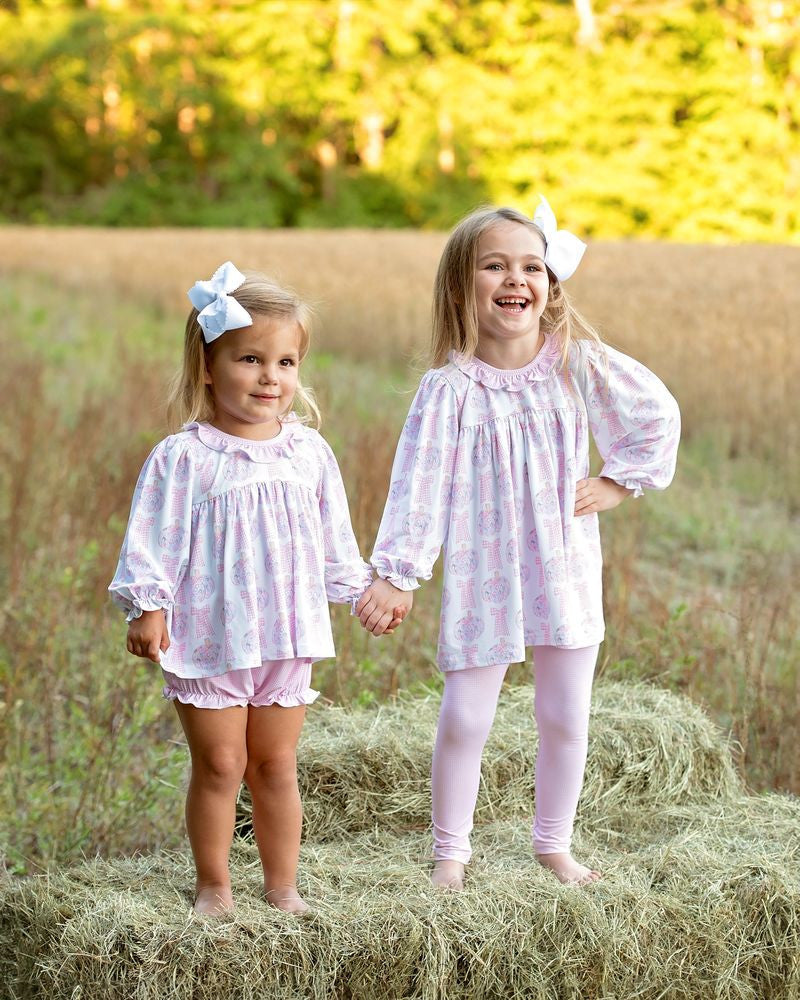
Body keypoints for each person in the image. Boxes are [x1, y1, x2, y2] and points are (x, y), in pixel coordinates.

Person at [356, 198, 680, 889]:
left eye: (532, 265)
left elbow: (657, 413)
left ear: (550, 284)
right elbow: (418, 487)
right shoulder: (448, 390)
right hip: (483, 570)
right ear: (461, 284)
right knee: (467, 716)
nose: (516, 278)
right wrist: (398, 573)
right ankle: (451, 854)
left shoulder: (577, 367)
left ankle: (553, 844)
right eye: (495, 265)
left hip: (563, 566)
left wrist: (620, 483)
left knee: (565, 714)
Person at [109, 263, 404, 915]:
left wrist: (367, 592)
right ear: (209, 367)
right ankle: (214, 886)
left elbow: (335, 542)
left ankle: (283, 889)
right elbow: (151, 537)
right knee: (220, 765)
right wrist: (147, 605)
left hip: (286, 636)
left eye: (286, 362)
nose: (272, 377)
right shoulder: (184, 458)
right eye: (250, 359)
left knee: (275, 766)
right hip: (211, 639)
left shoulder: (309, 454)